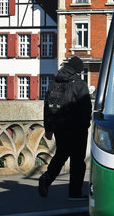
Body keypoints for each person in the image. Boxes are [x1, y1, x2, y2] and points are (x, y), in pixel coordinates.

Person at [39, 56, 92, 199]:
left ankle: (48, 177)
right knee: (77, 161)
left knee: (61, 154)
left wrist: (48, 128)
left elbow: (47, 107)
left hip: (59, 127)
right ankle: (75, 192)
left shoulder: (54, 82)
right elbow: (86, 108)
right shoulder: (80, 84)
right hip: (76, 129)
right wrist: (85, 126)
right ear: (77, 71)